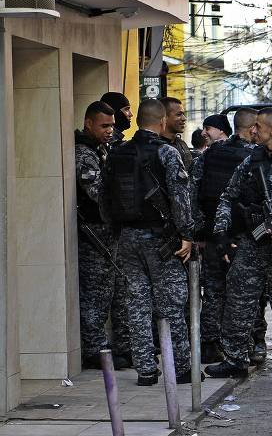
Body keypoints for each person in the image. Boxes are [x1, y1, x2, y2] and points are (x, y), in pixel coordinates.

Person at [205, 108, 272, 391]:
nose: (253, 131)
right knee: (238, 299)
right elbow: (227, 197)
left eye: (258, 127)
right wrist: (221, 232)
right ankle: (235, 358)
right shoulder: (252, 160)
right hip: (254, 241)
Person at [100, 99, 197, 386]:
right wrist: (187, 235)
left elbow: (105, 197)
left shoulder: (117, 153)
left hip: (126, 237)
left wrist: (116, 231)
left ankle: (145, 370)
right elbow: (181, 198)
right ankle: (180, 368)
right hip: (159, 239)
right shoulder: (166, 152)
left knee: (137, 303)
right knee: (171, 304)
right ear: (162, 120)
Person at [190, 108, 259, 364]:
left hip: (212, 236)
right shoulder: (255, 157)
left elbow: (192, 196)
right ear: (253, 128)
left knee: (214, 291)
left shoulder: (208, 156)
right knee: (247, 294)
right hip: (246, 237)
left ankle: (210, 344)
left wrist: (199, 232)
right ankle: (248, 344)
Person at [76, 101, 131, 370]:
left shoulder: (103, 149)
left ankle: (113, 346)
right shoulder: (84, 153)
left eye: (111, 125)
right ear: (89, 123)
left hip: (108, 233)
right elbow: (97, 192)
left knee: (111, 292)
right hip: (93, 234)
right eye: (104, 125)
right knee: (95, 295)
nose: (110, 130)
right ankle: (94, 349)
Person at [159, 97, 193, 170]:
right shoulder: (155, 147)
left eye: (183, 114)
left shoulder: (182, 144)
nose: (184, 118)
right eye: (179, 114)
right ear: (164, 117)